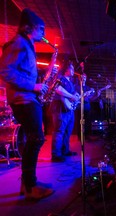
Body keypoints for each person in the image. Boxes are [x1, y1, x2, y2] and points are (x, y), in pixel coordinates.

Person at [0, 8, 54, 199]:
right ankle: (30, 186)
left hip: (28, 98)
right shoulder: (18, 43)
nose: (43, 34)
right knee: (36, 138)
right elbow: (5, 71)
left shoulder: (27, 44)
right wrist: (34, 86)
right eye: (41, 29)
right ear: (28, 27)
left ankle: (27, 183)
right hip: (23, 100)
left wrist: (38, 85)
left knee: (36, 138)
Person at [50, 60, 79, 162]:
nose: (73, 70)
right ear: (66, 69)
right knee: (59, 131)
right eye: (71, 68)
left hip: (68, 109)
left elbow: (74, 94)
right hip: (59, 108)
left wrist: (76, 96)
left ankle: (65, 150)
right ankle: (55, 154)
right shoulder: (59, 78)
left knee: (67, 131)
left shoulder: (70, 82)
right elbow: (58, 89)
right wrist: (71, 96)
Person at [75, 72, 96, 140]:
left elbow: (90, 97)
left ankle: (86, 135)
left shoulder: (88, 87)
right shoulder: (76, 86)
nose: (83, 78)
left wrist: (92, 92)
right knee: (79, 121)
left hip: (87, 105)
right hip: (79, 105)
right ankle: (79, 136)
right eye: (82, 77)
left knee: (87, 121)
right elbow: (75, 96)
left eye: (84, 77)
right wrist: (83, 94)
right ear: (79, 78)